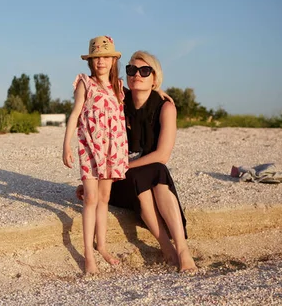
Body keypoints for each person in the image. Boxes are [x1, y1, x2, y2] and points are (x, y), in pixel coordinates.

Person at [77, 50, 197, 273]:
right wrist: (97, 176)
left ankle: (181, 250)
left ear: (155, 77)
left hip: (133, 172)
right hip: (118, 180)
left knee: (157, 170)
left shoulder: (165, 107)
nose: (137, 75)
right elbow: (90, 100)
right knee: (145, 175)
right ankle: (167, 247)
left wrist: (119, 167)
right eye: (132, 70)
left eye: (144, 71)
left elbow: (162, 155)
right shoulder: (117, 96)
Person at [62, 35, 129, 274]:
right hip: (90, 147)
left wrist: (163, 93)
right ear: (91, 61)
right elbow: (74, 114)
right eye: (96, 57)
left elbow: (147, 92)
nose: (101, 61)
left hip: (113, 147)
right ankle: (88, 256)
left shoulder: (119, 87)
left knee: (104, 197)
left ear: (113, 60)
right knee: (90, 198)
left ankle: (101, 245)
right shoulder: (85, 83)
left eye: (105, 56)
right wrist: (66, 145)